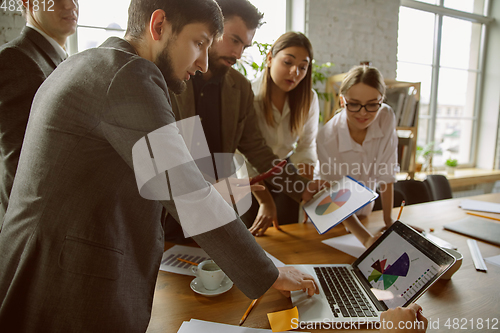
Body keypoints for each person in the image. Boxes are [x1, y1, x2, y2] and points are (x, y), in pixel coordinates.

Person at [0, 1, 322, 331]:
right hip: (62, 282)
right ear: (158, 26)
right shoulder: (129, 75)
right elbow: (187, 192)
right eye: (199, 43)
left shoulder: (91, 62)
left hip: (46, 264)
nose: (203, 62)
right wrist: (269, 273)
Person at [167, 0, 316, 241]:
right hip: (171, 213)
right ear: (212, 29)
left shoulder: (240, 88)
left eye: (244, 46)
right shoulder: (173, 78)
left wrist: (301, 187)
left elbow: (257, 150)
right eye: (234, 40)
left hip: (218, 211)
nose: (238, 54)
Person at [0, 0, 79, 226]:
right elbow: (21, 163)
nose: (70, 5)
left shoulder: (64, 60)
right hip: (37, 228)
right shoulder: (15, 59)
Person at [241, 32, 319, 236]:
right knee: (255, 237)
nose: (295, 72)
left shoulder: (308, 99)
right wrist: (265, 201)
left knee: (289, 235)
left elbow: (306, 147)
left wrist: (305, 192)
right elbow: (241, 156)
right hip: (249, 178)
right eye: (287, 62)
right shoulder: (248, 94)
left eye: (303, 67)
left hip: (286, 171)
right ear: (269, 59)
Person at [317, 65, 398, 247]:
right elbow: (335, 196)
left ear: (381, 100)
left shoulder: (386, 116)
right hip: (329, 216)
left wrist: (389, 221)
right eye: (354, 104)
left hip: (363, 214)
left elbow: (387, 171)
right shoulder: (327, 137)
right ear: (342, 101)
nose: (363, 113)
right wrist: (366, 239)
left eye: (372, 104)